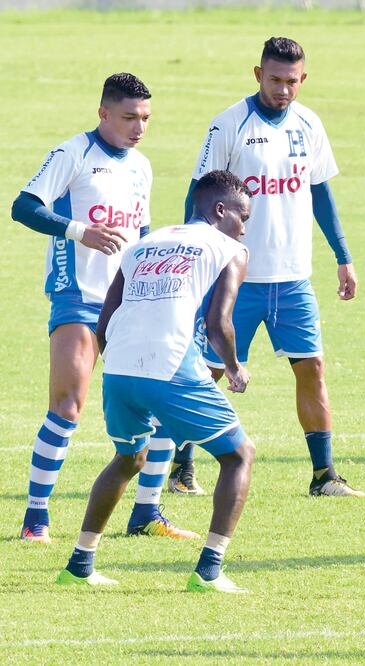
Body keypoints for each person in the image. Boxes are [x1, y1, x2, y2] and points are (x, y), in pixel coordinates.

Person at [180, 36, 365, 498]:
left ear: (304, 78)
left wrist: (343, 257)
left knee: (313, 369)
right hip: (233, 278)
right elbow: (198, 197)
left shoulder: (309, 124)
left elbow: (320, 192)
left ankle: (324, 476)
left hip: (293, 279)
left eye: (292, 81)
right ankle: (180, 465)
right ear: (257, 74)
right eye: (275, 79)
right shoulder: (229, 125)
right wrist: (191, 260)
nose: (283, 89)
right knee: (208, 373)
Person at [11, 73, 194, 543]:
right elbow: (23, 206)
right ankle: (36, 518)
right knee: (68, 408)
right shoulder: (73, 153)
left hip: (132, 301)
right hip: (77, 297)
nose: (139, 128)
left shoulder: (142, 166)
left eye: (146, 119)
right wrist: (79, 231)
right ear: (104, 113)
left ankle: (147, 514)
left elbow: (142, 233)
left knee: (160, 403)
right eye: (130, 117)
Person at [56, 170, 256, 593]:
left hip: (119, 367)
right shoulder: (229, 248)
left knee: (128, 459)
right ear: (221, 211)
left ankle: (80, 563)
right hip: (168, 364)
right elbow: (219, 325)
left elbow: (106, 318)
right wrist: (234, 368)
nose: (244, 228)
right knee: (239, 454)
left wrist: (111, 368)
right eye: (244, 218)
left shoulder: (143, 243)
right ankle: (210, 570)